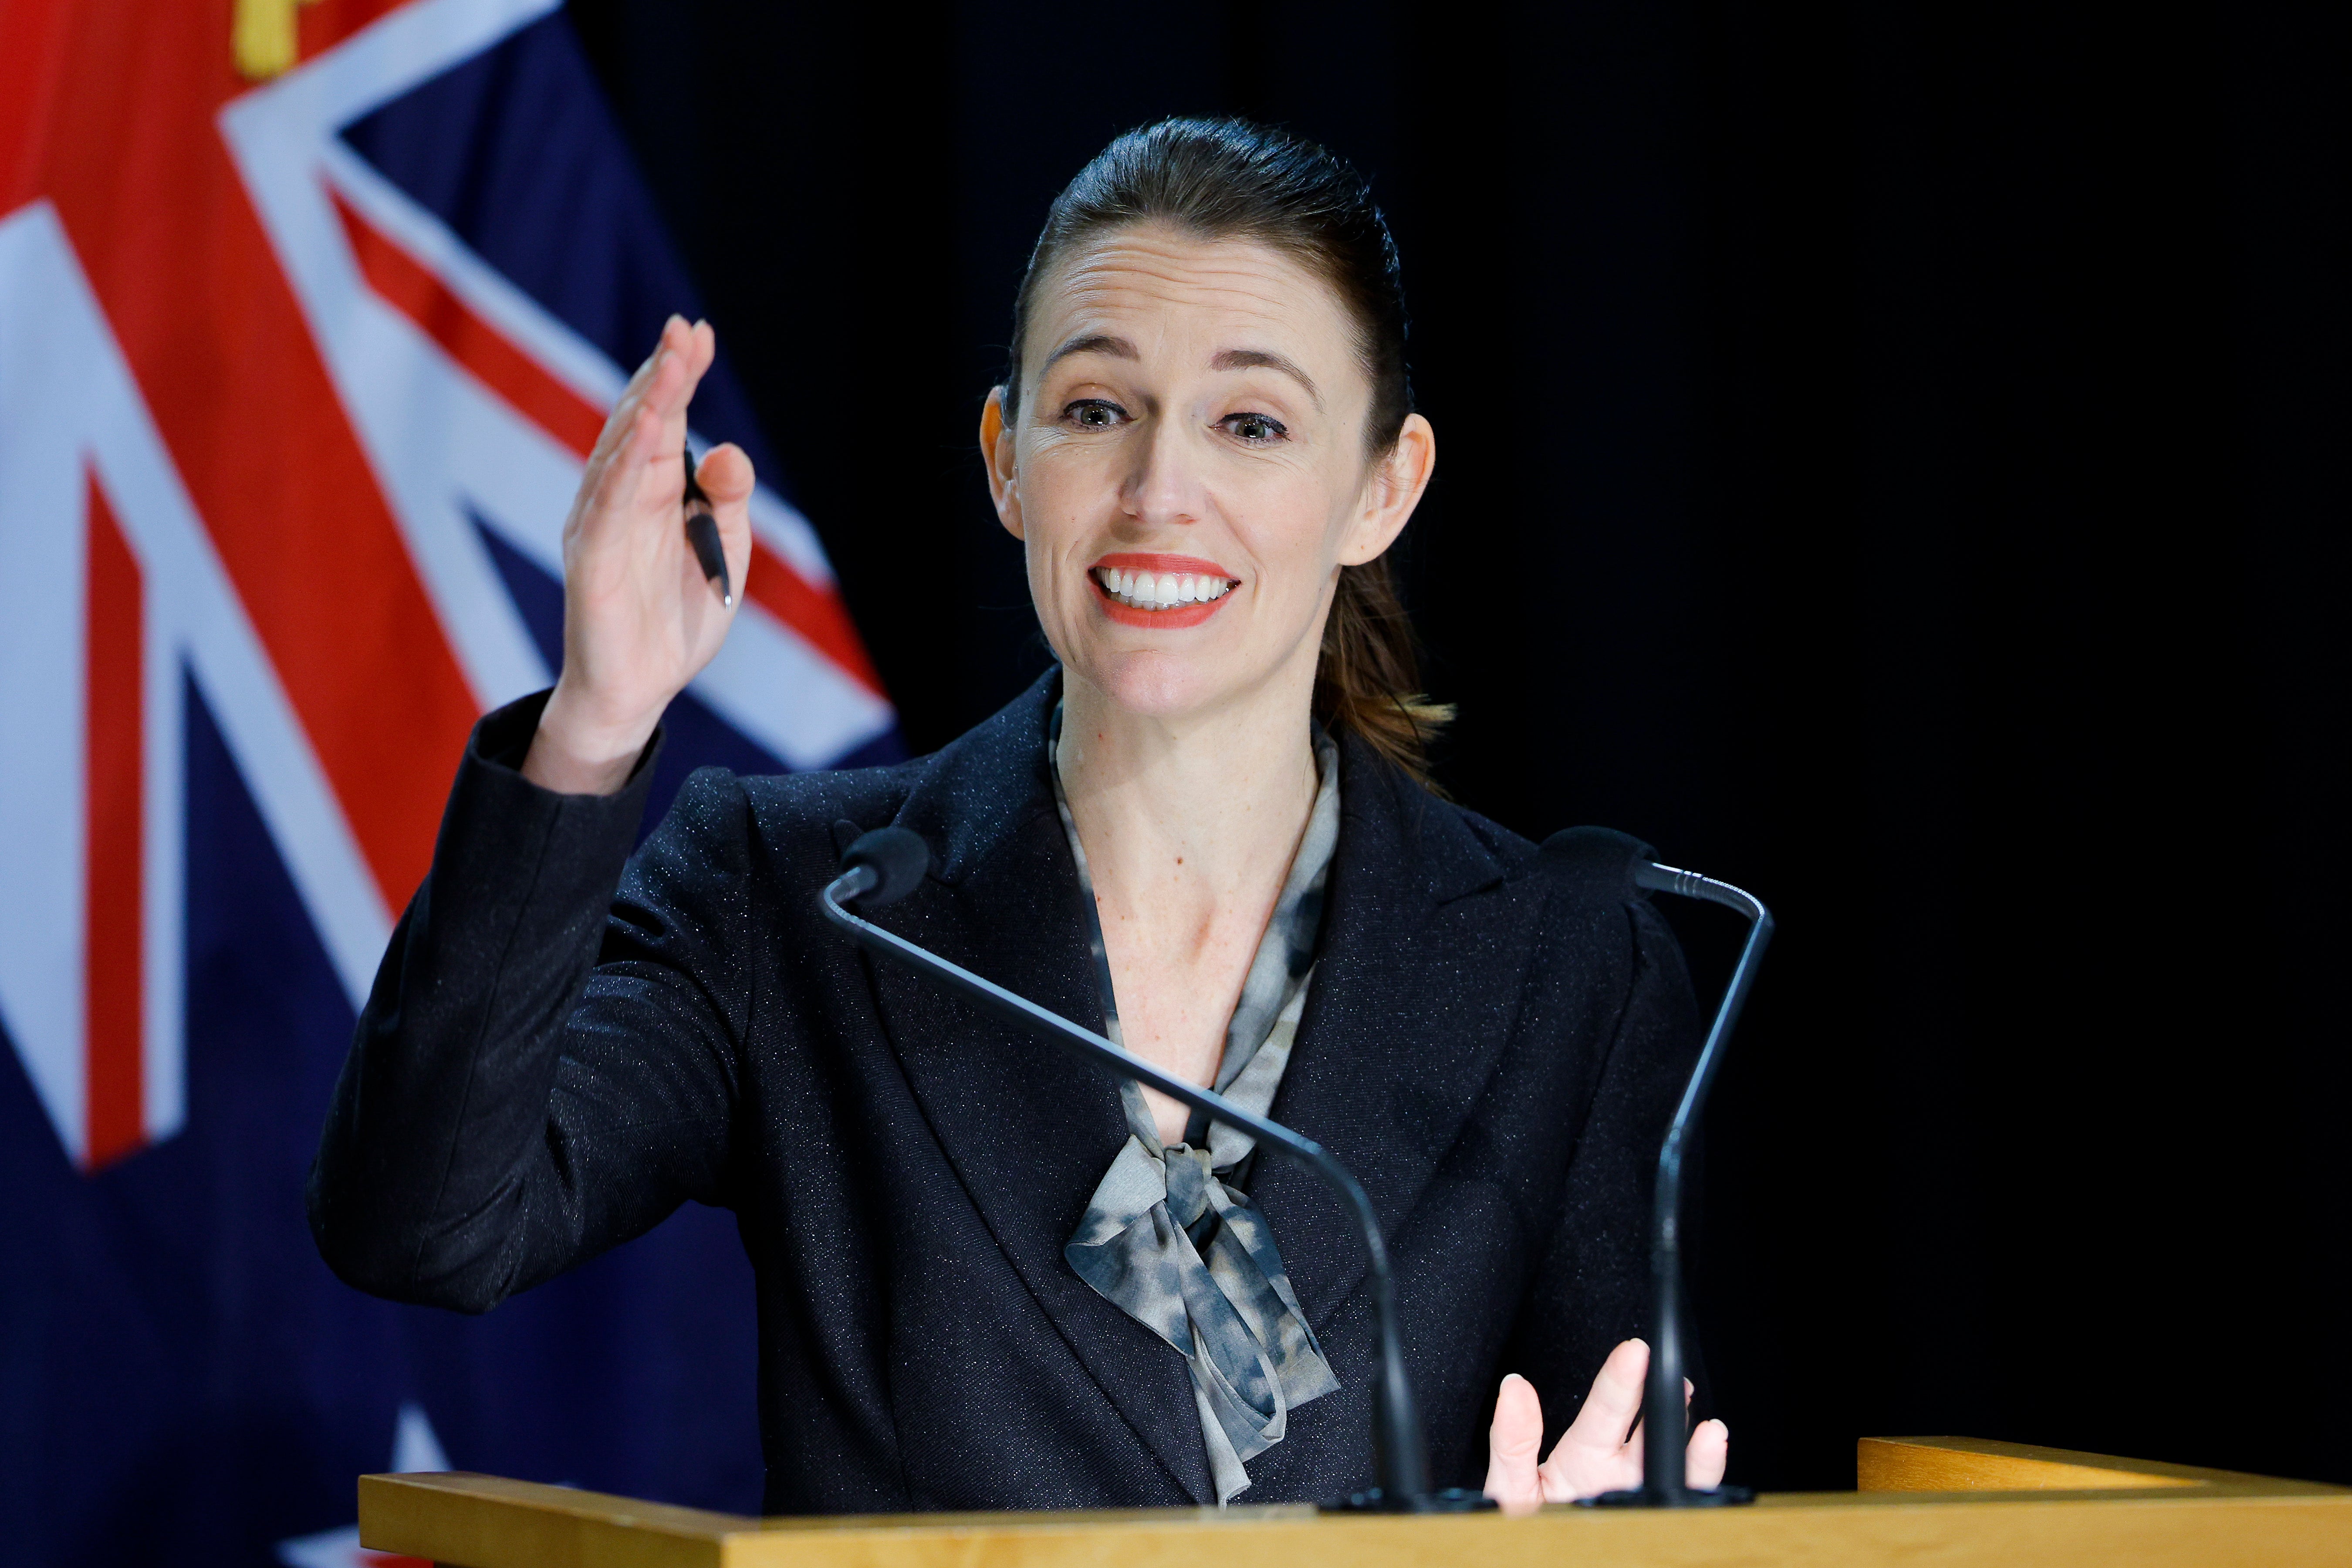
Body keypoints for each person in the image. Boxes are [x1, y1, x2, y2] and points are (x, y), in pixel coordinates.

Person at [308, 117, 1730, 1515]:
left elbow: (1620, 1463)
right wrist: (596, 724)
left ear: (1383, 488)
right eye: (1098, 411)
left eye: (1251, 423)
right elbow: (425, 1223)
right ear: (1006, 457)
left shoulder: (1568, 967)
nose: (1159, 492)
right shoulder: (794, 892)